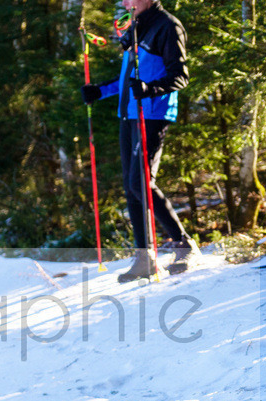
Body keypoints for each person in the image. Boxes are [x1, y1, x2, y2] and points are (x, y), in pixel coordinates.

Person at [80, 0, 200, 282]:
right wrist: (99, 91)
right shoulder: (136, 26)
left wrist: (150, 89)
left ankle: (184, 245)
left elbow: (180, 76)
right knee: (131, 186)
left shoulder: (167, 25)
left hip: (153, 112)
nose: (125, 2)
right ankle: (144, 258)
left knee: (141, 182)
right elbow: (129, 77)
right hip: (129, 114)